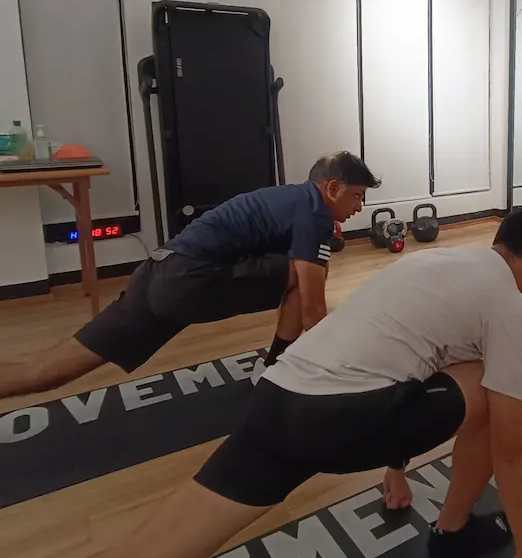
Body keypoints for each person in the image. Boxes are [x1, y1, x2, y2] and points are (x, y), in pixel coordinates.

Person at [0, 208, 522, 558]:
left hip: (276, 399)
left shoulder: (435, 264)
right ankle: (450, 533)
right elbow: (512, 449)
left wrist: (395, 467)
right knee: (492, 395)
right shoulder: (507, 305)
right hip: (334, 421)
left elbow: (399, 354)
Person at [0, 152, 379, 402]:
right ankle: (275, 369)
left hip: (156, 272)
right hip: (188, 280)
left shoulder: (289, 200)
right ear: (332, 188)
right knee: (304, 273)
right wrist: (347, 369)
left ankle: (273, 367)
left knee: (47, 369)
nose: (359, 207)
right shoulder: (315, 214)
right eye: (357, 196)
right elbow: (312, 311)